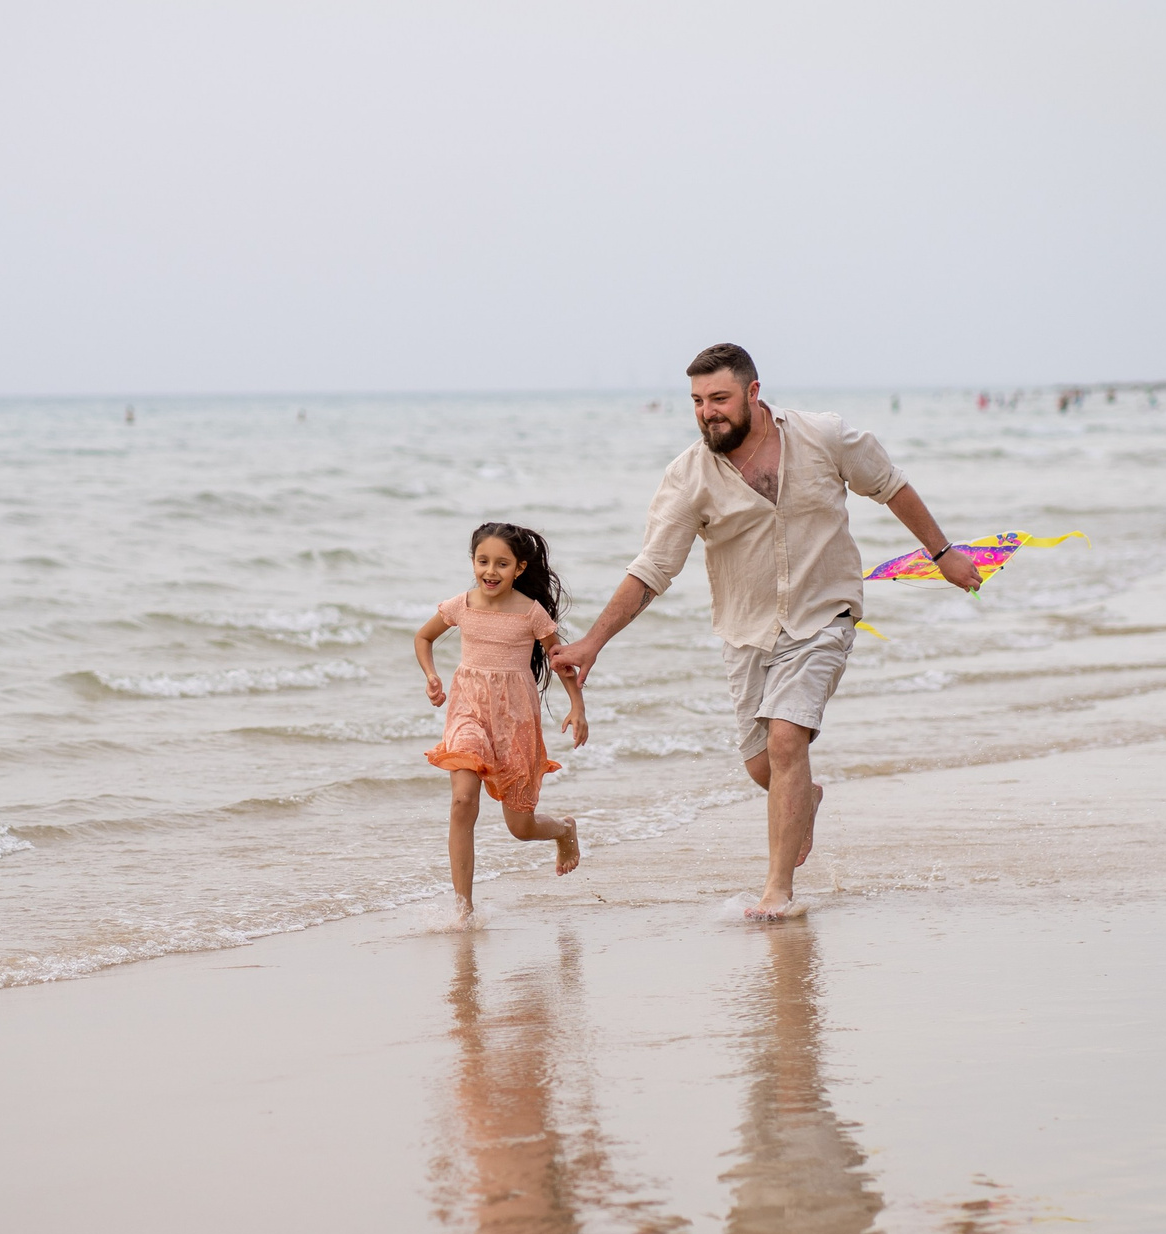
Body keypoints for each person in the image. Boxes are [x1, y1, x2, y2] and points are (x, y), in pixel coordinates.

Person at [551, 344, 981, 921]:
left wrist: (943, 553)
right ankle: (805, 800)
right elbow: (653, 569)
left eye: (719, 398)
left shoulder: (823, 436)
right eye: (697, 401)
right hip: (746, 631)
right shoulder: (689, 477)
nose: (707, 412)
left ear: (753, 393)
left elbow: (890, 485)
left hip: (824, 613)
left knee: (785, 740)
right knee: (764, 766)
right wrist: (592, 642)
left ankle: (777, 892)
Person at [416, 523, 587, 921]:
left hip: (515, 720)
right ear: (473, 562)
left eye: (501, 564)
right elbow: (423, 638)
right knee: (462, 800)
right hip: (468, 712)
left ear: (519, 568)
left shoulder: (531, 613)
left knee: (521, 828)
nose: (490, 571)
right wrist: (431, 676)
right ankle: (463, 909)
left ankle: (564, 830)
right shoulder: (460, 605)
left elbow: (560, 662)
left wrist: (577, 706)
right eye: (483, 561)